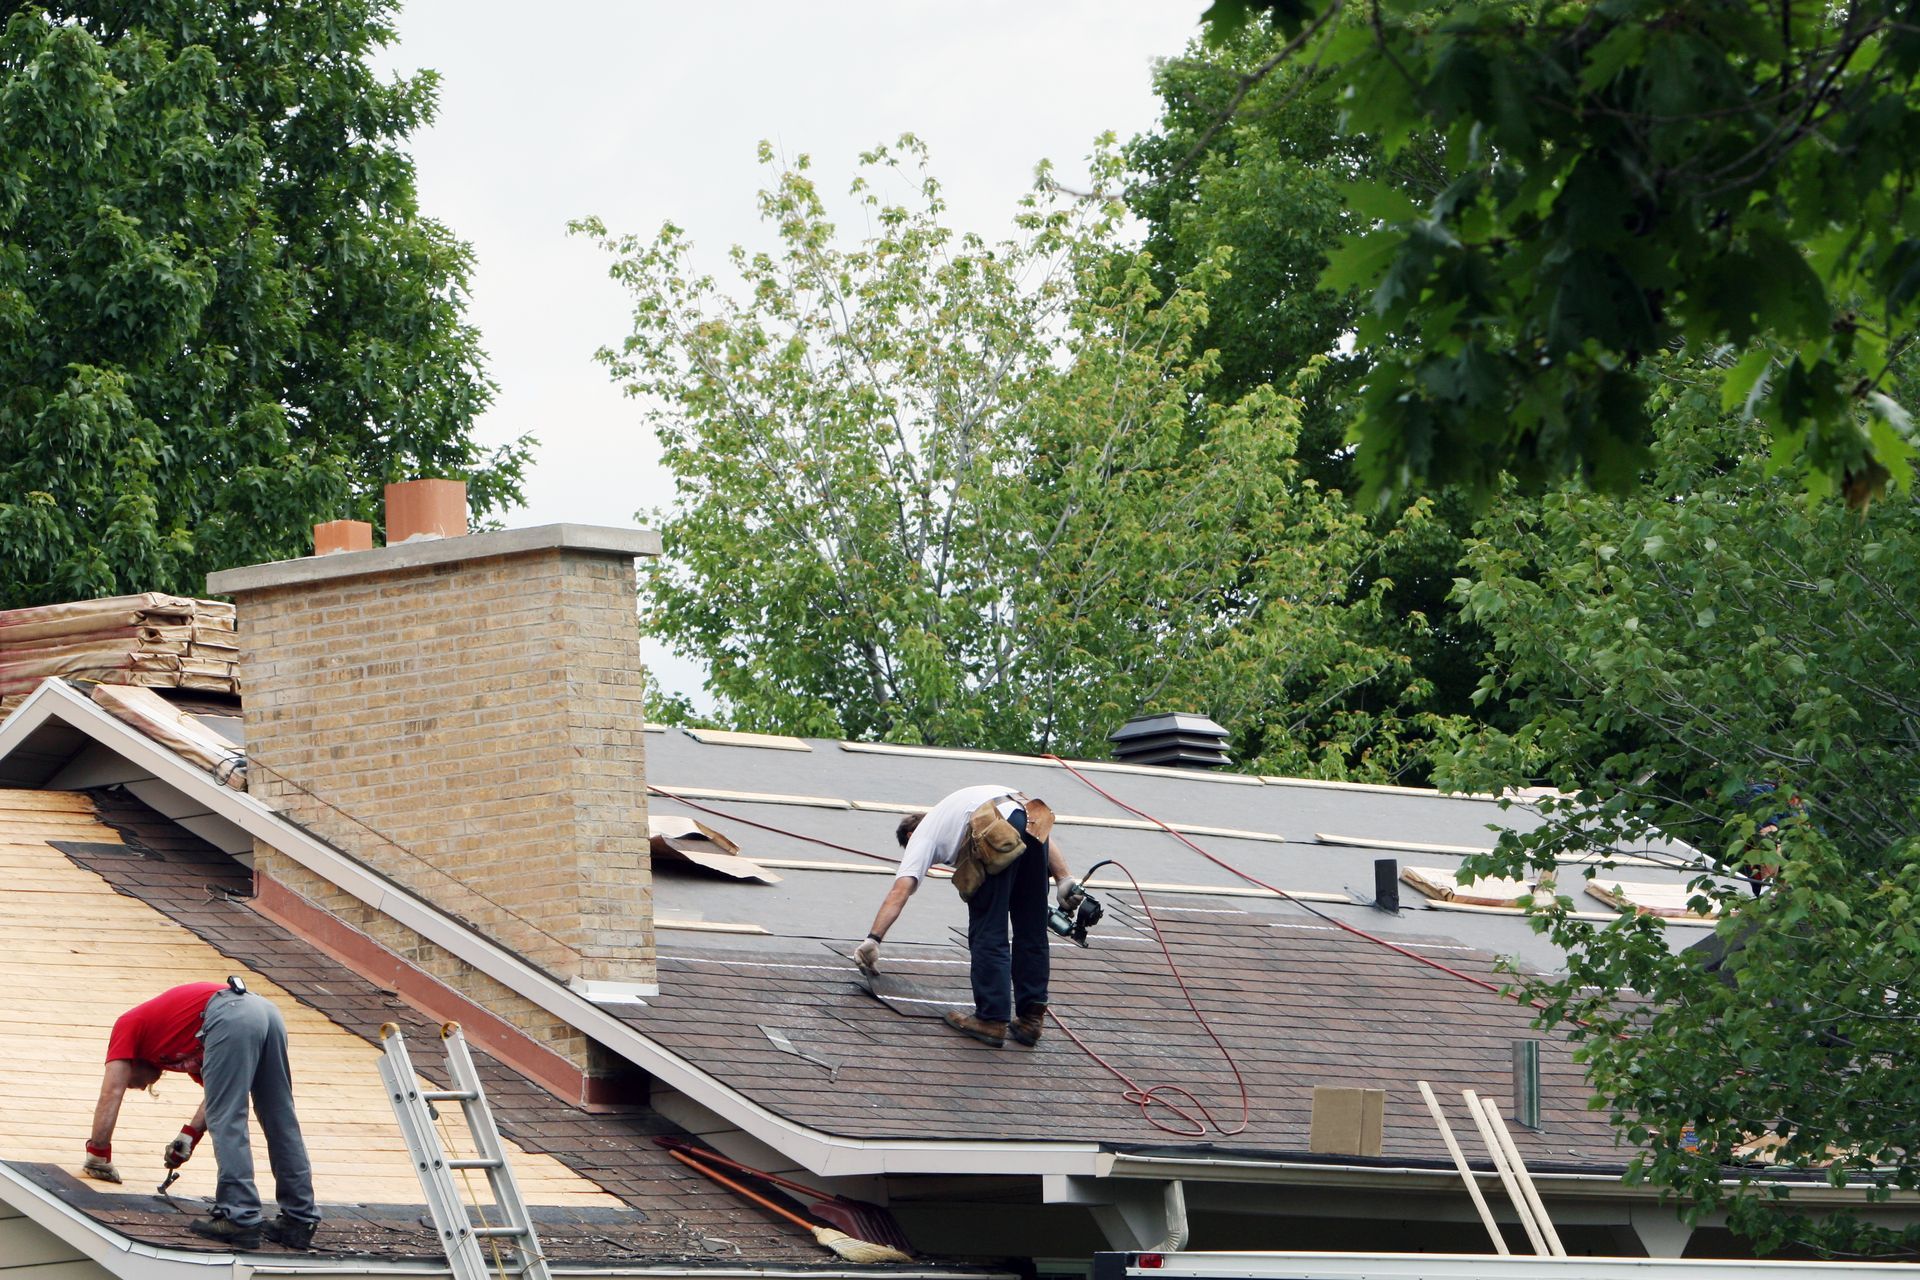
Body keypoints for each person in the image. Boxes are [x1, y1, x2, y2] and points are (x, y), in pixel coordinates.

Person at [84, 979, 322, 1251]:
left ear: (132, 1061)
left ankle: (239, 1215)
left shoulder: (128, 1024)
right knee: (279, 1117)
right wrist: (189, 1136)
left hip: (229, 1014)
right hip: (264, 1011)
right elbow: (214, 1096)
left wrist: (98, 1154)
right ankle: (299, 1220)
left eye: (131, 1081)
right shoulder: (179, 1042)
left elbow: (111, 1092)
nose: (134, 1086)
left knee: (229, 1118)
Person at [853, 784, 1083, 1047]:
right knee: (1031, 926)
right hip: (1029, 816)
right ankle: (1031, 1020)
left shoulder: (922, 835)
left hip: (995, 827)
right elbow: (1030, 826)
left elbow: (900, 889)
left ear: (909, 833)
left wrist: (874, 939)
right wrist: (1064, 878)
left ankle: (991, 1019)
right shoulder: (954, 811)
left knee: (989, 927)